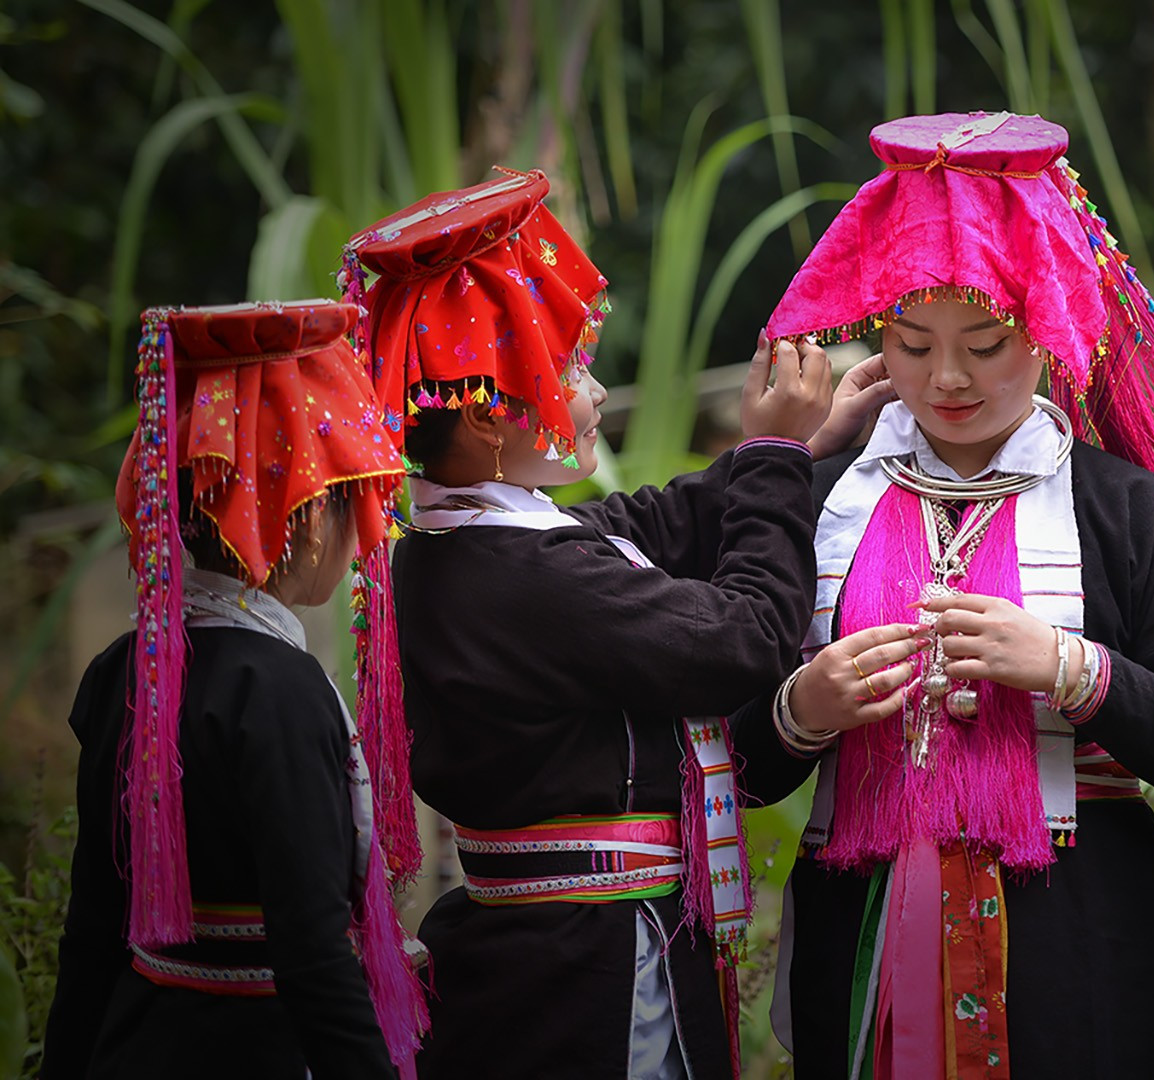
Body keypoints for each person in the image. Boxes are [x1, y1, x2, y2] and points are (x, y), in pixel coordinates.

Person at [744, 111, 1154, 1079]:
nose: (946, 378)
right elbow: (735, 763)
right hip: (857, 937)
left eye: (986, 343)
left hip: (1081, 948)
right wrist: (800, 710)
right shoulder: (819, 504)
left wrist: (1073, 670)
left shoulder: (1127, 511)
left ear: (1047, 325)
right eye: (912, 343)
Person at [344, 167, 836, 1079]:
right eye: (570, 368)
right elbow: (748, 637)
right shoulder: (531, 580)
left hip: (539, 955)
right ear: (489, 419)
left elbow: (648, 525)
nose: (598, 389)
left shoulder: (456, 546)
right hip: (596, 974)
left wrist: (805, 443)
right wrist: (773, 455)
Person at [42, 300, 425, 1079]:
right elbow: (313, 952)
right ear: (309, 519)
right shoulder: (280, 691)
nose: (364, 533)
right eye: (354, 500)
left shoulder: (125, 669)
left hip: (138, 1045)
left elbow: (92, 927)